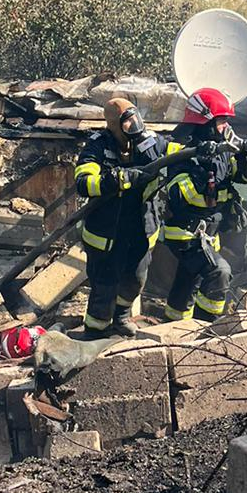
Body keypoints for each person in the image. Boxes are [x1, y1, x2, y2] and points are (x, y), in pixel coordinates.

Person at [72, 96, 177, 337]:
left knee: (136, 279)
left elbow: (176, 152)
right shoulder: (98, 144)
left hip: (140, 229)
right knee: (105, 287)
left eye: (135, 118)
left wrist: (201, 152)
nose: (134, 126)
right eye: (127, 122)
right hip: (107, 232)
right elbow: (83, 182)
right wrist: (114, 180)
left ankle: (121, 318)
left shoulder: (150, 141)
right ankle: (95, 331)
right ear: (113, 125)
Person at [162, 87, 247, 322]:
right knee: (219, 272)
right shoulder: (181, 150)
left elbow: (245, 177)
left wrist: (245, 156)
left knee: (188, 279)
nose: (226, 127)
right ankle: (207, 330)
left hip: (208, 234)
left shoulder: (222, 151)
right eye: (221, 121)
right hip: (185, 234)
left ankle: (174, 323)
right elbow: (177, 194)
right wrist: (203, 169)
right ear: (204, 122)